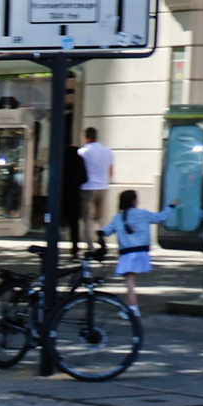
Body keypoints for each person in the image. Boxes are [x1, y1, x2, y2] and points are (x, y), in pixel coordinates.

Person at [99, 187, 160, 316]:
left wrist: (100, 233)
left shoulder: (118, 218)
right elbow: (160, 217)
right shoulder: (143, 213)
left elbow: (107, 230)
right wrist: (171, 207)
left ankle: (132, 307)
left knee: (129, 281)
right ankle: (129, 306)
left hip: (127, 253)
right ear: (134, 201)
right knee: (131, 280)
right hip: (142, 251)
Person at [78, 126, 115, 250]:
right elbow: (110, 171)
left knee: (87, 220)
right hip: (103, 187)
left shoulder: (82, 152)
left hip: (87, 187)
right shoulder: (107, 151)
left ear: (86, 137)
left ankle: (90, 246)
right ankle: (102, 239)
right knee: (100, 218)